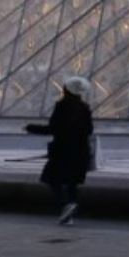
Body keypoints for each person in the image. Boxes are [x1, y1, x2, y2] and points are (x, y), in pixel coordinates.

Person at [24, 75, 95, 226]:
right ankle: (69, 215)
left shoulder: (62, 106)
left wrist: (31, 128)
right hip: (80, 151)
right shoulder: (85, 108)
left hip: (63, 150)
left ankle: (66, 205)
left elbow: (54, 128)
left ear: (66, 90)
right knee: (72, 183)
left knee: (50, 178)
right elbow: (89, 130)